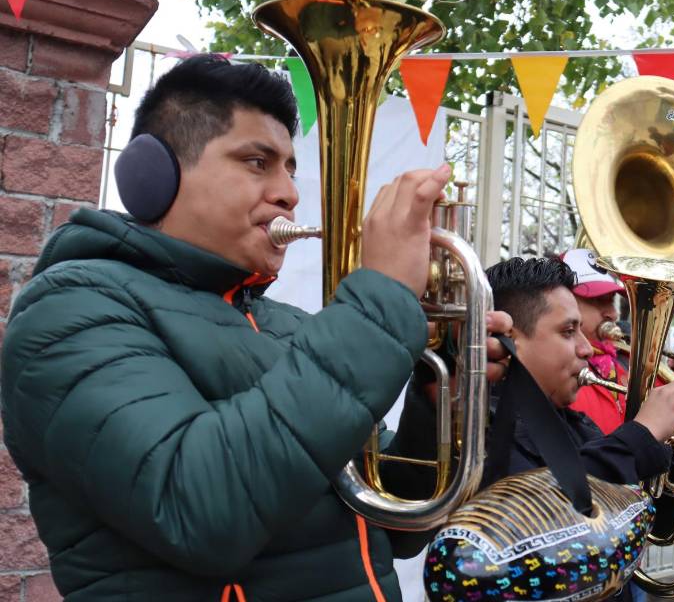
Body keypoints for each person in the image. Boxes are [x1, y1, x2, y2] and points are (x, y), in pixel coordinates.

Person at [0, 54, 513, 601]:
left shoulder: (285, 327)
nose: (289, 192)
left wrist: (436, 398)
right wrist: (380, 300)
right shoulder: (69, 309)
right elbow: (199, 510)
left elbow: (392, 518)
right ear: (154, 174)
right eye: (256, 161)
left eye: (290, 167)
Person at [480, 256, 674, 485]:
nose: (587, 348)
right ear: (509, 340)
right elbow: (550, 503)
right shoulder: (482, 432)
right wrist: (644, 433)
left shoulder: (573, 422)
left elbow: (628, 493)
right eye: (568, 331)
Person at [560, 248, 674, 434]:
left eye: (611, 300)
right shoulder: (557, 373)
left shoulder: (625, 356)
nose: (612, 313)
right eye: (597, 301)